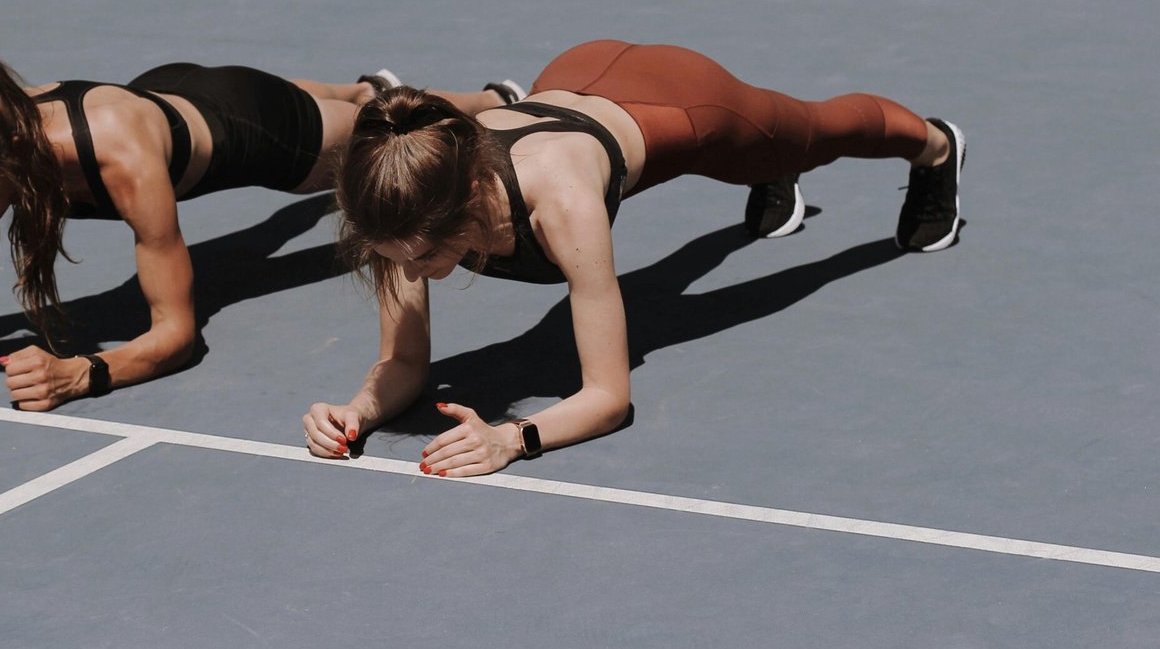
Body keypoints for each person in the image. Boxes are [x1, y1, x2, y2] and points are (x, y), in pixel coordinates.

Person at [303, 39, 965, 476]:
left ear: (467, 205)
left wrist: (513, 436)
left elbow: (608, 395)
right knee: (752, 181)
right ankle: (762, 174)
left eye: (422, 259)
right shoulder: (396, 202)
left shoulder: (561, 204)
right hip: (573, 74)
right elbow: (407, 361)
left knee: (811, 135)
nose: (408, 275)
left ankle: (935, 146)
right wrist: (356, 411)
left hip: (677, 98)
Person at [0, 56, 520, 411]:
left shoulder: (117, 155)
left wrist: (83, 373)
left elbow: (176, 334)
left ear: (12, 151)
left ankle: (491, 102)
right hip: (170, 90)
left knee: (379, 134)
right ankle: (361, 83)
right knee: (335, 99)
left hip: (247, 128)